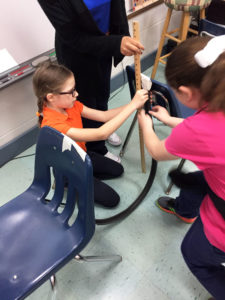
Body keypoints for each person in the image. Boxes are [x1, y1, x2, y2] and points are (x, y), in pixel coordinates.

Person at [138, 35, 225, 300]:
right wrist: (171, 119)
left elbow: (156, 150)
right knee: (197, 178)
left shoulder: (198, 131)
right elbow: (203, 133)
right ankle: (186, 210)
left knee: (194, 253)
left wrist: (145, 122)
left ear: (185, 92)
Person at [37, 0, 145, 162]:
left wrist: (120, 38)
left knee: (102, 92)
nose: (75, 93)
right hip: (77, 53)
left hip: (105, 45)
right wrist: (133, 105)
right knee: (85, 99)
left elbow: (117, 8)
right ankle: (96, 149)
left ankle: (103, 127)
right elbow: (74, 37)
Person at [33, 62, 148, 209]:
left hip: (82, 156)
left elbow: (104, 116)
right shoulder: (52, 125)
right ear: (51, 97)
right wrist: (133, 105)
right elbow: (102, 133)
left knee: (118, 170)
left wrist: (134, 104)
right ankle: (67, 182)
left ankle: (86, 178)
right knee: (113, 200)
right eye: (71, 91)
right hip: (70, 169)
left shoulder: (70, 104)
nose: (77, 94)